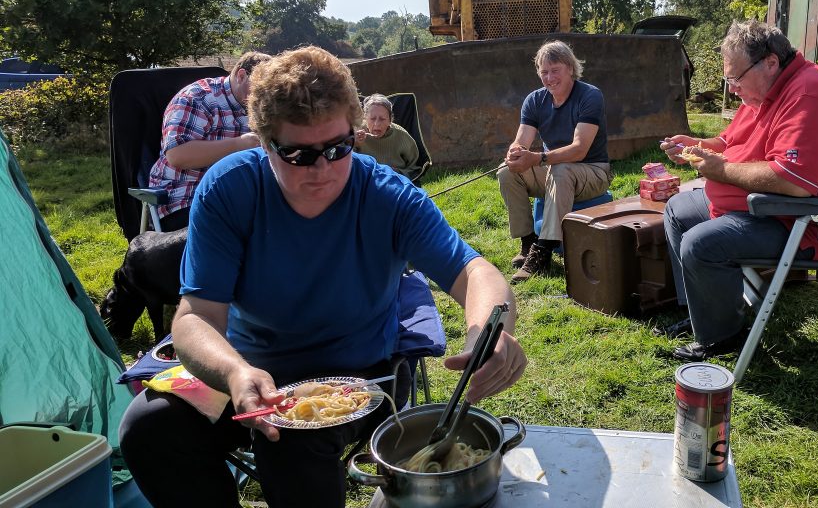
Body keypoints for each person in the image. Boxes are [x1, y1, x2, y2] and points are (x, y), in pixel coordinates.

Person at [119, 46, 528, 508]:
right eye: (297, 153)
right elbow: (196, 316)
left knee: (293, 445)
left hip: (360, 376)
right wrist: (234, 372)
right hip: (247, 368)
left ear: (355, 134)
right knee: (148, 429)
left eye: (337, 148)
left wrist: (488, 333)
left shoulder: (387, 195)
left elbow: (475, 272)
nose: (322, 170)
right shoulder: (230, 187)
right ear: (263, 142)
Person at [660, 20, 818, 361]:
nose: (732, 89)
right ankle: (705, 311)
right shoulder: (767, 90)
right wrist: (698, 145)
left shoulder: (810, 95)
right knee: (678, 210)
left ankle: (722, 339)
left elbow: (793, 181)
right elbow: (729, 141)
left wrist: (720, 171)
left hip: (807, 222)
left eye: (735, 79)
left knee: (701, 244)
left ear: (771, 62)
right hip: (766, 207)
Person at [496, 40, 612, 284]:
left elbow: (579, 149)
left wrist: (538, 158)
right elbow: (521, 141)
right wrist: (515, 154)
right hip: (555, 170)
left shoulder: (590, 95)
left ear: (570, 67)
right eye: (544, 72)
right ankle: (528, 241)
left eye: (555, 70)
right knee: (507, 171)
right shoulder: (534, 100)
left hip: (594, 171)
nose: (549, 78)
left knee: (560, 169)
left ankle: (544, 250)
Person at [147, 51, 272, 231]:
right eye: (260, 88)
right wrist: (240, 144)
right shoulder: (197, 98)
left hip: (237, 200)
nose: (264, 96)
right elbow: (177, 155)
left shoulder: (261, 107)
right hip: (185, 199)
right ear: (241, 76)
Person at [354, 93, 421, 179]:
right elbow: (346, 162)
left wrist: (399, 173)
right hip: (364, 180)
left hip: (395, 180)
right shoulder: (356, 131)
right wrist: (353, 143)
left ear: (390, 120)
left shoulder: (401, 135)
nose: (377, 124)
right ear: (365, 118)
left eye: (382, 119)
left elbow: (415, 168)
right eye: (372, 118)